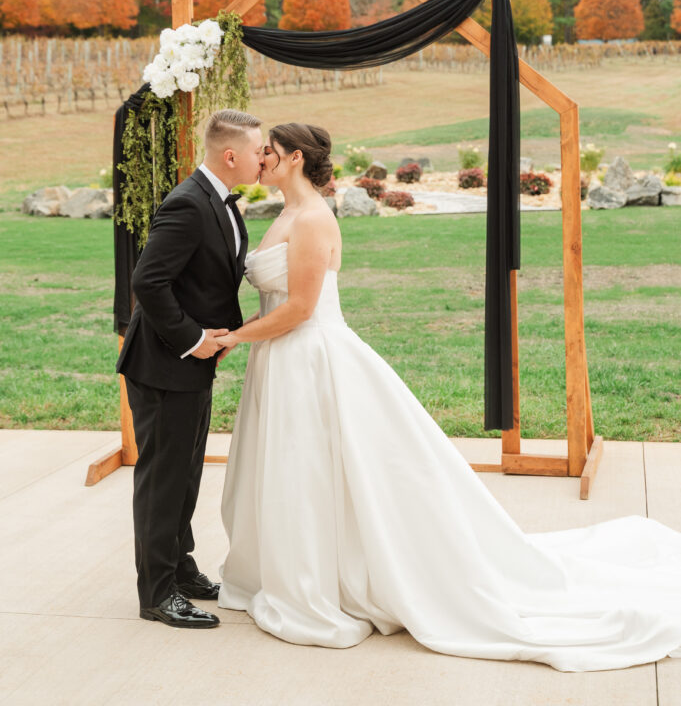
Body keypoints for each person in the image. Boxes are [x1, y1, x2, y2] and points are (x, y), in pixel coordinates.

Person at [215, 121, 681, 672]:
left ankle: (331, 580)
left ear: (293, 158)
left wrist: (233, 339)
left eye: (268, 151)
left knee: (319, 470)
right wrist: (238, 333)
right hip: (282, 362)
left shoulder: (314, 219)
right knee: (304, 473)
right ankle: (310, 565)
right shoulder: (285, 216)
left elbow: (299, 309)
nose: (259, 159)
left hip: (312, 359)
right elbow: (278, 305)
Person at [117, 108, 264, 629]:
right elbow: (149, 281)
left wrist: (222, 333)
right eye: (256, 150)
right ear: (230, 155)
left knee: (185, 474)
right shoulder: (187, 205)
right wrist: (195, 338)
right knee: (162, 479)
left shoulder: (218, 201)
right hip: (163, 365)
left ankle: (179, 569)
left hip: (192, 365)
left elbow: (208, 279)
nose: (262, 157)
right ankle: (156, 594)